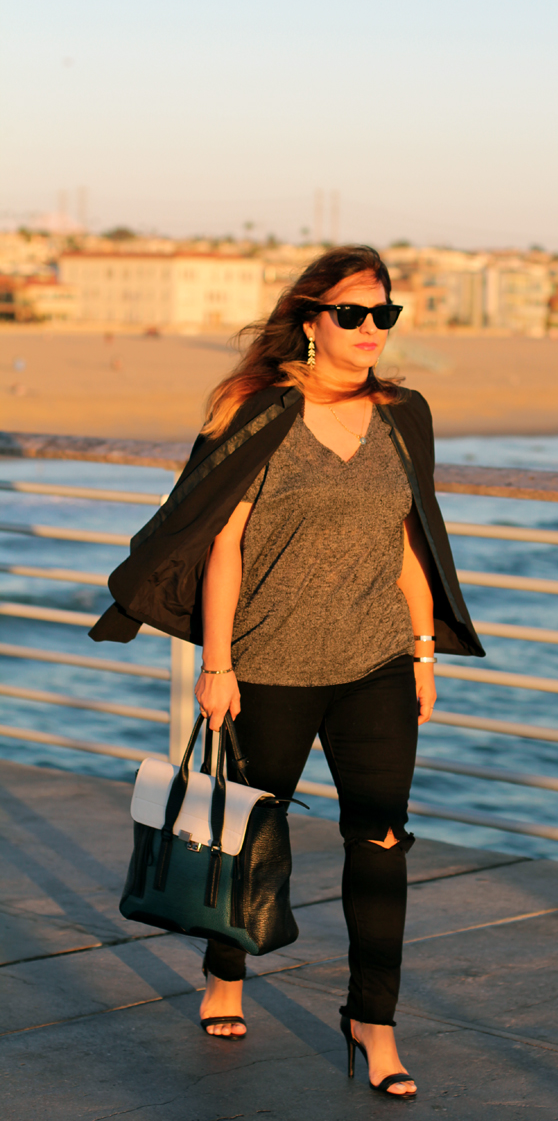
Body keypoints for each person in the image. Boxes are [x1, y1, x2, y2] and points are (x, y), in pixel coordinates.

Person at [90, 245, 484, 1098]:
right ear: (310, 321)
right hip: (269, 663)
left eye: (385, 314)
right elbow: (223, 545)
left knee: (381, 841)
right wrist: (218, 664)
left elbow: (413, 540)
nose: (371, 329)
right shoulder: (262, 412)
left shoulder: (403, 414)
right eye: (352, 313)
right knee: (244, 835)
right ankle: (225, 973)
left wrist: (422, 651)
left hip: (376, 660)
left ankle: (373, 1020)